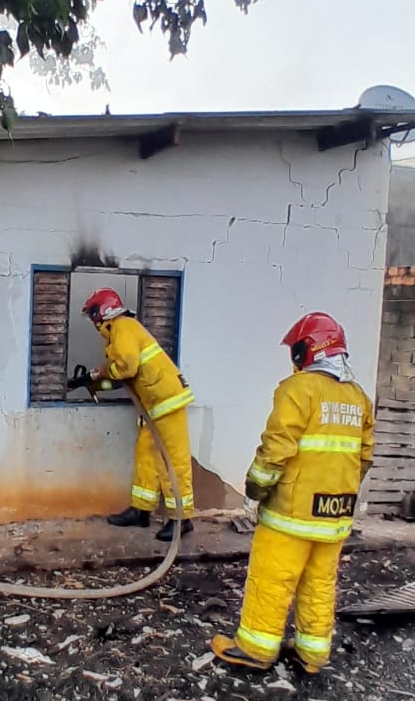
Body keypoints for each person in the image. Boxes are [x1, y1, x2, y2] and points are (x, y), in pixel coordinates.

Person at [212, 311, 375, 675]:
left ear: (307, 351)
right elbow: (365, 458)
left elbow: (276, 449)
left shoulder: (297, 389)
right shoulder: (359, 398)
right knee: (319, 584)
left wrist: (255, 489)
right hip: (335, 516)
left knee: (272, 578)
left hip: (291, 514)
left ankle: (255, 649)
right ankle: (312, 654)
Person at [82, 287, 195, 541]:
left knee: (172, 461)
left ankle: (182, 519)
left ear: (104, 310)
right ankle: (141, 511)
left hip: (167, 401)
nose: (93, 321)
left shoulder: (122, 326)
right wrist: (92, 382)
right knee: (146, 454)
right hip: (153, 405)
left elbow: (126, 367)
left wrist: (101, 373)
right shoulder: (118, 333)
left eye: (93, 314)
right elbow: (124, 375)